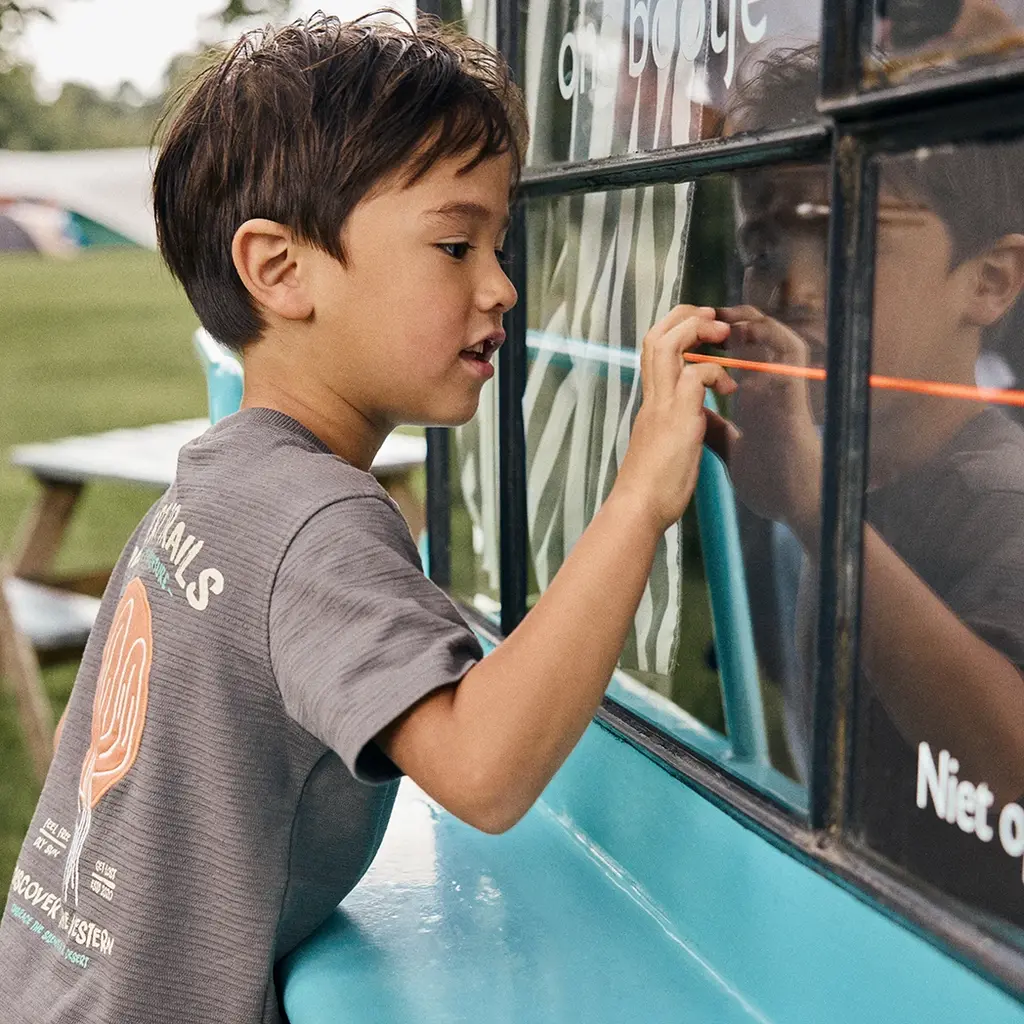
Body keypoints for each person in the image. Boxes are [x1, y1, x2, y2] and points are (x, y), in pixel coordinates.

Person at [0, 13, 737, 1023]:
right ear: (280, 270)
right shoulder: (314, 519)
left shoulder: (220, 485)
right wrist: (641, 493)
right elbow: (482, 769)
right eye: (454, 243)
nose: (501, 286)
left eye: (499, 243)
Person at [723, 45, 1024, 923]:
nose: (793, 290)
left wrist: (817, 511)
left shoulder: (1002, 500)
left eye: (852, 238)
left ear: (990, 281)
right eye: (762, 245)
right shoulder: (847, 479)